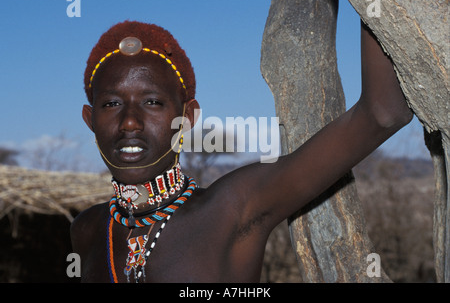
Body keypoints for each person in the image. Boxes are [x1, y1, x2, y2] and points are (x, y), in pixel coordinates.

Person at [70, 20, 413, 283]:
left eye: (152, 102)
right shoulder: (87, 229)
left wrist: (374, 4)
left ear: (187, 117)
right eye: (111, 103)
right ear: (90, 119)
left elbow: (382, 113)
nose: (130, 122)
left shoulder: (233, 208)